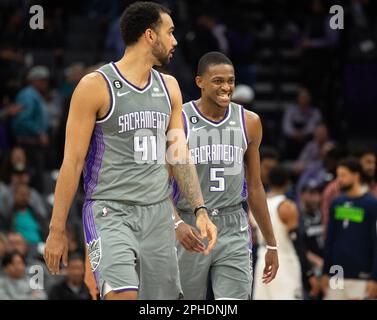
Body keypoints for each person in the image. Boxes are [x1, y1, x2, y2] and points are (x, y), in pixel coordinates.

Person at [43, 2, 217, 300]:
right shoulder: (95, 86)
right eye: (170, 32)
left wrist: (199, 209)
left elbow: (179, 156)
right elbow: (72, 163)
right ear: (150, 35)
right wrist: (57, 229)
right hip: (111, 211)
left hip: (158, 216)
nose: (175, 41)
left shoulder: (170, 87)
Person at [172, 51, 278, 300]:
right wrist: (176, 223)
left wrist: (271, 243)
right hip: (192, 224)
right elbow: (160, 184)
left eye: (230, 81)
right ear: (200, 82)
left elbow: (255, 187)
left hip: (234, 225)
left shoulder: (250, 122)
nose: (226, 87)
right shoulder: (180, 120)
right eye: (218, 81)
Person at [253, 166, 319, 300]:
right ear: (287, 183)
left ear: (268, 181)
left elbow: (253, 238)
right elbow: (297, 243)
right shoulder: (287, 206)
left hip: (262, 261)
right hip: (285, 263)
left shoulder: (256, 205)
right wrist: (309, 274)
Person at [322, 157, 377, 300]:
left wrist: (374, 278)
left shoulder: (371, 204)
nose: (339, 180)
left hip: (362, 274)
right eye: (338, 175)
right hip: (337, 272)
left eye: (343, 175)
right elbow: (330, 239)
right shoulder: (336, 203)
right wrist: (325, 272)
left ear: (356, 175)